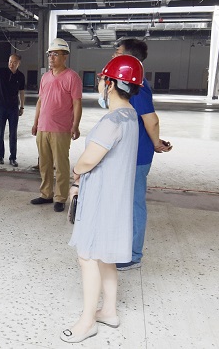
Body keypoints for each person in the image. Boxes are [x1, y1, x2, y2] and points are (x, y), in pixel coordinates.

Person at [60, 55, 143, 344]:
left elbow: (88, 160)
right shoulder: (131, 116)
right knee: (106, 256)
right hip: (116, 197)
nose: (99, 86)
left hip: (101, 197)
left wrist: (76, 171)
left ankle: (87, 323)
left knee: (87, 257)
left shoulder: (113, 120)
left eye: (101, 81)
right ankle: (109, 310)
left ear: (110, 84)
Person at [112, 39, 172, 271]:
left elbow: (151, 119)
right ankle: (124, 247)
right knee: (126, 202)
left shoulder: (137, 84)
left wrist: (156, 143)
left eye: (118, 53)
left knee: (135, 203)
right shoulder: (128, 81)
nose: (114, 56)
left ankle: (133, 255)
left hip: (137, 156)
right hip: (129, 153)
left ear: (130, 58)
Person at [31, 38, 82, 212]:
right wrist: (35, 122)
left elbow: (77, 103)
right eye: (50, 54)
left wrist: (75, 125)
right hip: (43, 127)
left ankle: (60, 197)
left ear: (65, 56)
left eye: (55, 54)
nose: (51, 58)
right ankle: (46, 194)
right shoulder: (45, 77)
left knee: (61, 165)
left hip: (61, 128)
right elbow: (40, 101)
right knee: (44, 164)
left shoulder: (72, 77)